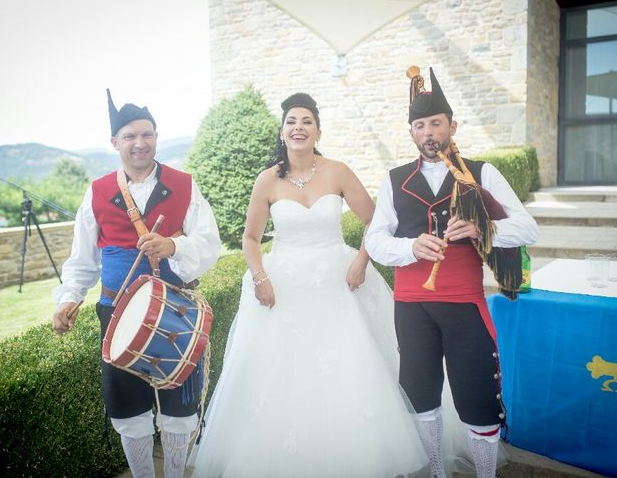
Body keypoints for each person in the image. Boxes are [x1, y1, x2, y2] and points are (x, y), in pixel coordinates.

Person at [189, 93, 429, 477]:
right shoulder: (267, 180)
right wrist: (260, 277)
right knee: (279, 374)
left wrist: (361, 262)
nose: (298, 127)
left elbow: (376, 223)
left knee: (349, 366)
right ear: (282, 132)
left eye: (306, 121)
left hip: (339, 282)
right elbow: (250, 240)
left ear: (318, 131)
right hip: (282, 288)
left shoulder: (338, 171)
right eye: (291, 122)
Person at [365, 67, 539, 478]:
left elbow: (528, 226)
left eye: (436, 124)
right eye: (420, 125)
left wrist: (484, 228)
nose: (428, 132)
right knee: (421, 396)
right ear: (411, 133)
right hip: (411, 307)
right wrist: (410, 247)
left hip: (465, 304)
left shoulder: (482, 173)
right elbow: (375, 241)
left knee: (478, 398)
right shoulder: (393, 181)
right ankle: (439, 472)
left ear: (451, 126)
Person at [52, 89, 221, 478]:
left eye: (147, 135)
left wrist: (173, 244)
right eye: (130, 136)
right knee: (130, 410)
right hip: (117, 315)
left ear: (157, 137)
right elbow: (82, 259)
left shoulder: (184, 184)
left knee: (179, 408)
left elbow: (210, 243)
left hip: (176, 309)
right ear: (115, 143)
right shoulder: (96, 191)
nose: (139, 143)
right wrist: (68, 299)